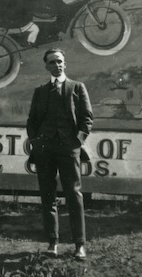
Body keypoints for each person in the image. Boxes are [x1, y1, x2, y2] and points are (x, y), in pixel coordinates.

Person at [26, 48, 94, 261]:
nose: (57, 65)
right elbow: (32, 120)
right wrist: (36, 142)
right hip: (45, 149)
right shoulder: (40, 91)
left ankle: (79, 245)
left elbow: (87, 118)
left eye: (60, 61)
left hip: (68, 148)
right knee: (48, 195)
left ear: (65, 63)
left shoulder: (77, 88)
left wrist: (77, 141)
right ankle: (52, 242)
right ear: (46, 66)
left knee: (74, 195)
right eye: (52, 62)